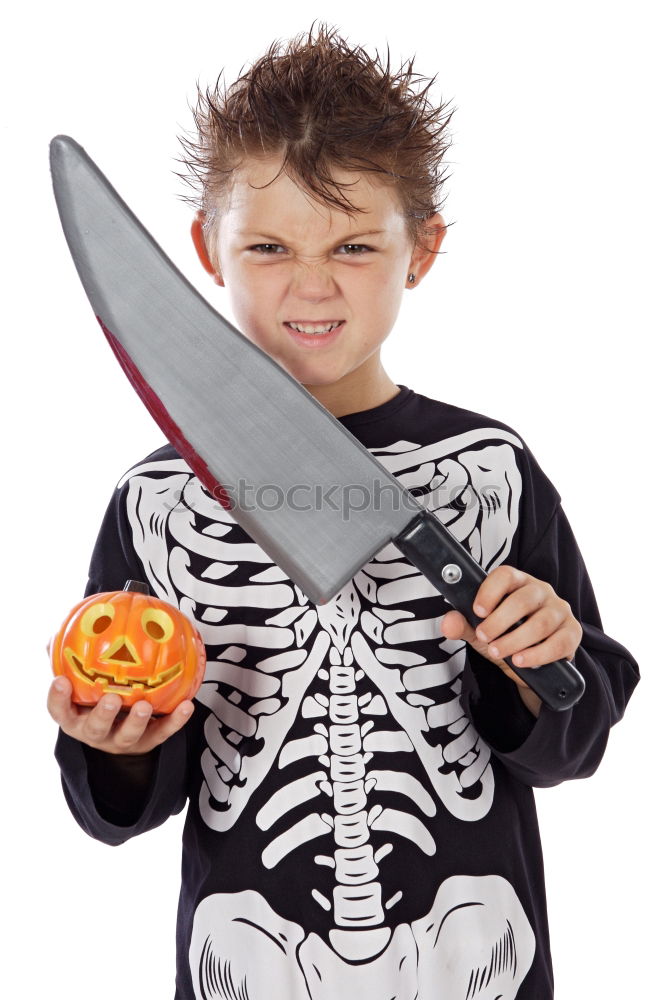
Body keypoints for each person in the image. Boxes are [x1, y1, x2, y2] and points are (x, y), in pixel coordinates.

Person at [48, 22, 639, 999]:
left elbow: (574, 734)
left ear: (423, 248)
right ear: (207, 247)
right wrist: (112, 747)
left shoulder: (490, 469)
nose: (312, 284)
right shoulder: (158, 500)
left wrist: (540, 665)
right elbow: (121, 801)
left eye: (355, 244)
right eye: (269, 245)